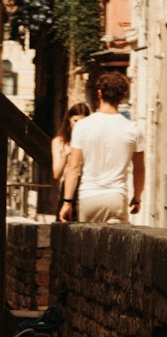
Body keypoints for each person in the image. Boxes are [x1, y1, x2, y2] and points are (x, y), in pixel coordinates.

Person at [58, 70, 144, 225]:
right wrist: (137, 198)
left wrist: (67, 202)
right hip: (117, 196)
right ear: (123, 96)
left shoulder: (82, 126)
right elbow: (139, 168)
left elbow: (74, 166)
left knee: (88, 246)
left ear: (99, 94)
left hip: (89, 196)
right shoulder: (133, 129)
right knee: (117, 247)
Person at [51, 101, 91, 215]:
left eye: (82, 122)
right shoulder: (59, 142)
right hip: (67, 189)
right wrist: (66, 155)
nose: (78, 126)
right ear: (69, 119)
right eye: (76, 121)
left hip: (86, 187)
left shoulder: (90, 141)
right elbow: (56, 174)